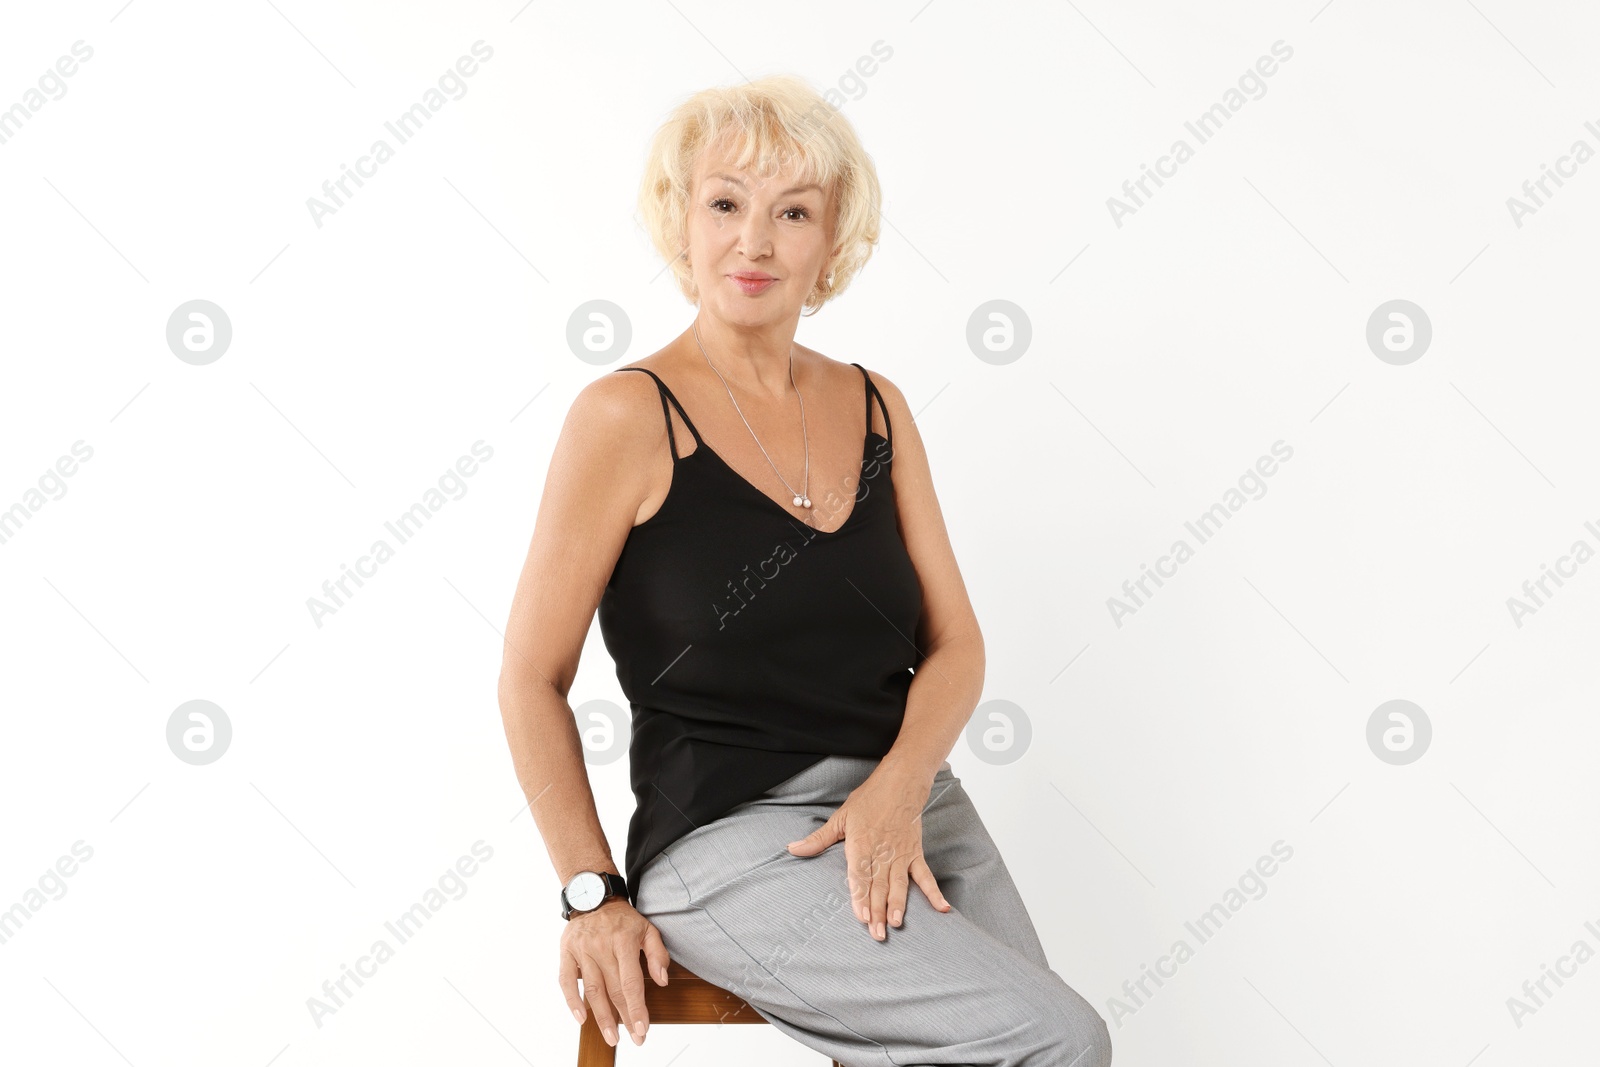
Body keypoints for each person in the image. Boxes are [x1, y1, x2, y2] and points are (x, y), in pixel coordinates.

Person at [497, 74, 1112, 1066]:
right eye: (725, 203)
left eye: (792, 212)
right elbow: (529, 678)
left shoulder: (877, 407)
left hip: (908, 801)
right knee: (1059, 1039)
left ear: (831, 245)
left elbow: (954, 644)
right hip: (728, 840)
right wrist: (590, 893)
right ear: (680, 220)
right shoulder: (624, 418)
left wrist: (903, 783)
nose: (754, 240)